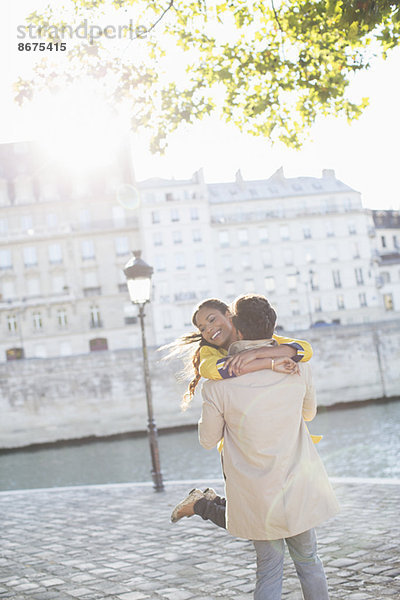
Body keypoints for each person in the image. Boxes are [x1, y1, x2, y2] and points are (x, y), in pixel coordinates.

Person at [197, 294, 339, 599]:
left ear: (237, 330)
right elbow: (309, 414)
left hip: (256, 494)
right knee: (309, 561)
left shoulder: (216, 384)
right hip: (298, 484)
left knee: (269, 568)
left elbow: (208, 440)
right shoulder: (297, 367)